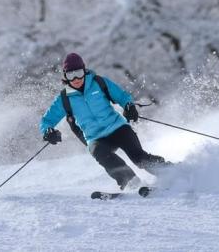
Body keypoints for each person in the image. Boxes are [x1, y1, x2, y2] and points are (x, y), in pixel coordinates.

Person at [39, 52, 168, 190]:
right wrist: (48, 131)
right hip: (95, 138)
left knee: (138, 157)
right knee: (102, 155)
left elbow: (122, 96)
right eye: (71, 75)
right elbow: (47, 120)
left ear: (84, 70)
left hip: (117, 128)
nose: (76, 78)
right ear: (65, 76)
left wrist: (129, 106)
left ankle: (170, 172)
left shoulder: (99, 83)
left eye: (78, 72)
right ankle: (131, 182)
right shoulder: (64, 98)